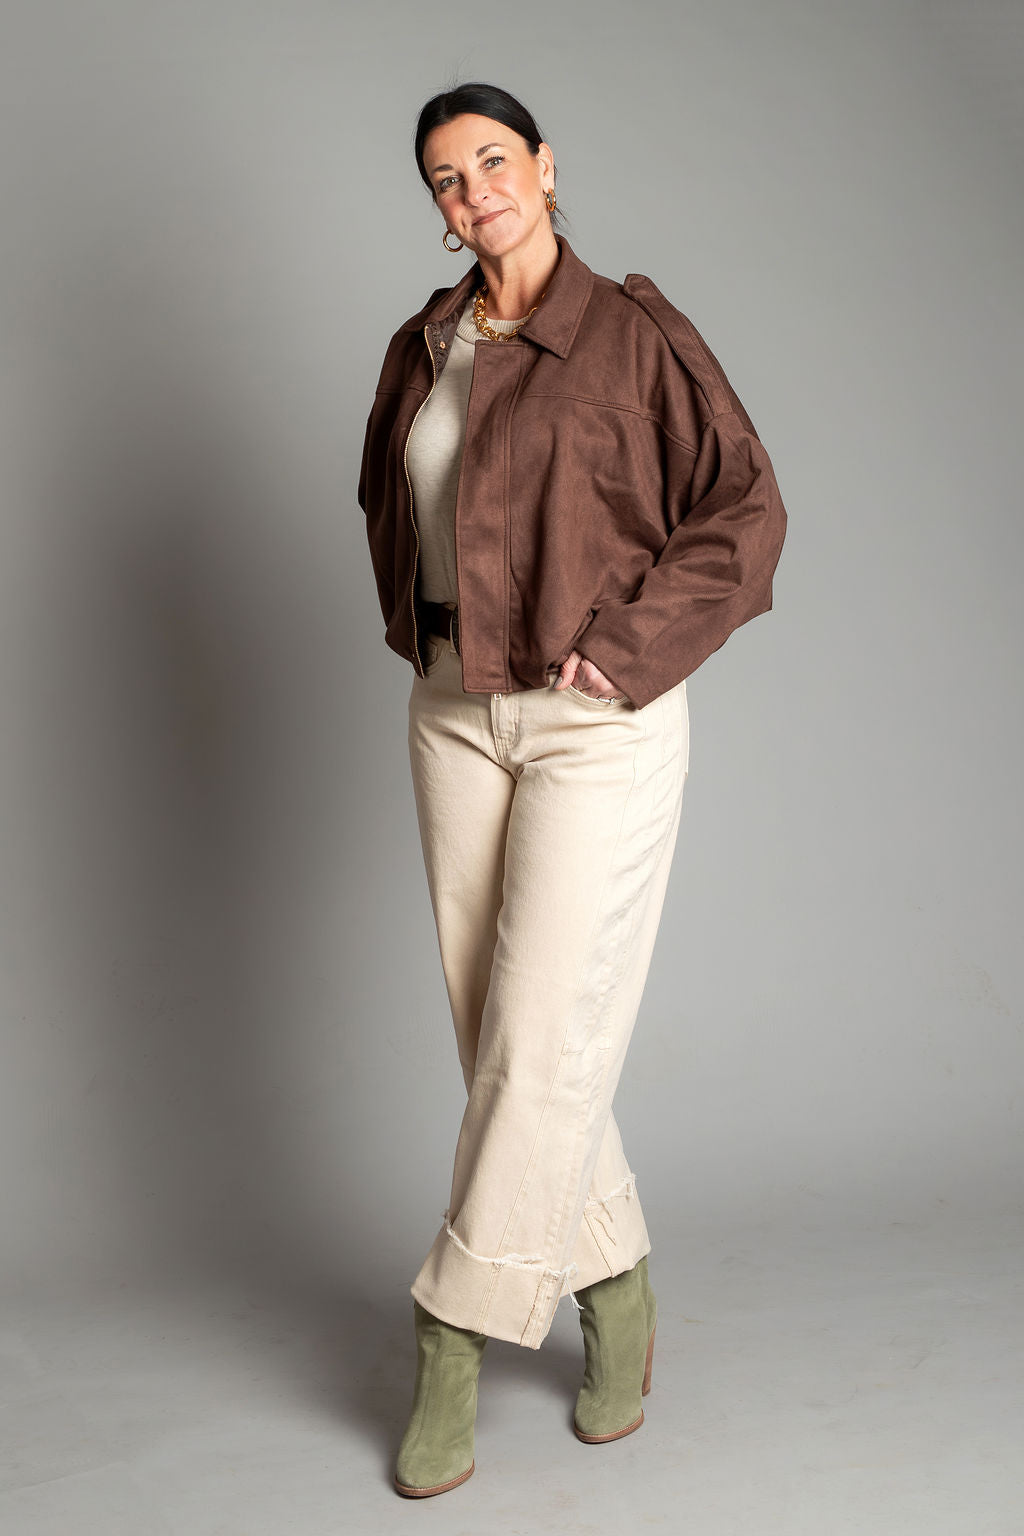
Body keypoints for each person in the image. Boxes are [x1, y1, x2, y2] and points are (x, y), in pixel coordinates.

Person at [357, 81, 788, 1498]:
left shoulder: (633, 331)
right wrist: (431, 639)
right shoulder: (426, 342)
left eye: (494, 159)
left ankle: (452, 1331)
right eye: (446, 176)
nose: (473, 189)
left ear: (545, 166)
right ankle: (616, 1284)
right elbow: (395, 503)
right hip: (451, 713)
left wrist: (626, 649)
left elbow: (746, 508)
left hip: (595, 724)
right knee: (500, 1029)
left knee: (542, 1034)